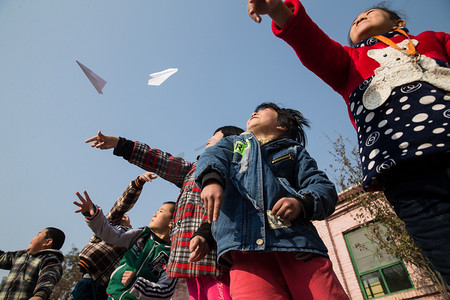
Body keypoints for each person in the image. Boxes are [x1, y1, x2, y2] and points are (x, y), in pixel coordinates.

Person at [247, 0, 450, 284]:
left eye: (368, 13)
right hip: (405, 173)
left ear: (398, 23)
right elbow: (310, 41)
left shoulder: (434, 40)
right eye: (354, 19)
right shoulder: (349, 63)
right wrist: (278, 9)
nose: (359, 18)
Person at [195, 102, 348, 299]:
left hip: (296, 245)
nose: (253, 113)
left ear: (281, 126)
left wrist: (301, 203)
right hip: (245, 252)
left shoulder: (294, 152)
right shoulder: (235, 144)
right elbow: (213, 155)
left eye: (261, 111)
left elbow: (322, 186)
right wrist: (211, 179)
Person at [85, 126, 244, 300]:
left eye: (215, 138)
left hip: (215, 264)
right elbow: (159, 160)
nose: (208, 141)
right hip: (183, 265)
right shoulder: (192, 171)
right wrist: (119, 144)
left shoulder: (236, 175)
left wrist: (205, 233)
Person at [74, 191, 177, 300]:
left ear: (172, 222)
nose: (154, 214)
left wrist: (136, 283)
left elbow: (166, 291)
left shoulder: (173, 255)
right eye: (156, 210)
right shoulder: (141, 234)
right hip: (112, 296)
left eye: (161, 211)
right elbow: (110, 232)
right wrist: (93, 214)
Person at [72, 172, 157, 300]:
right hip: (89, 280)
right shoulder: (108, 227)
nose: (123, 217)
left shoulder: (137, 243)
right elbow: (120, 206)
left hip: (107, 289)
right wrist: (138, 183)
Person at [0, 227, 65, 300]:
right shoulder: (21, 255)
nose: (32, 239)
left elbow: (47, 279)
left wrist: (39, 296)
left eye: (38, 235)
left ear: (47, 242)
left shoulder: (50, 260)